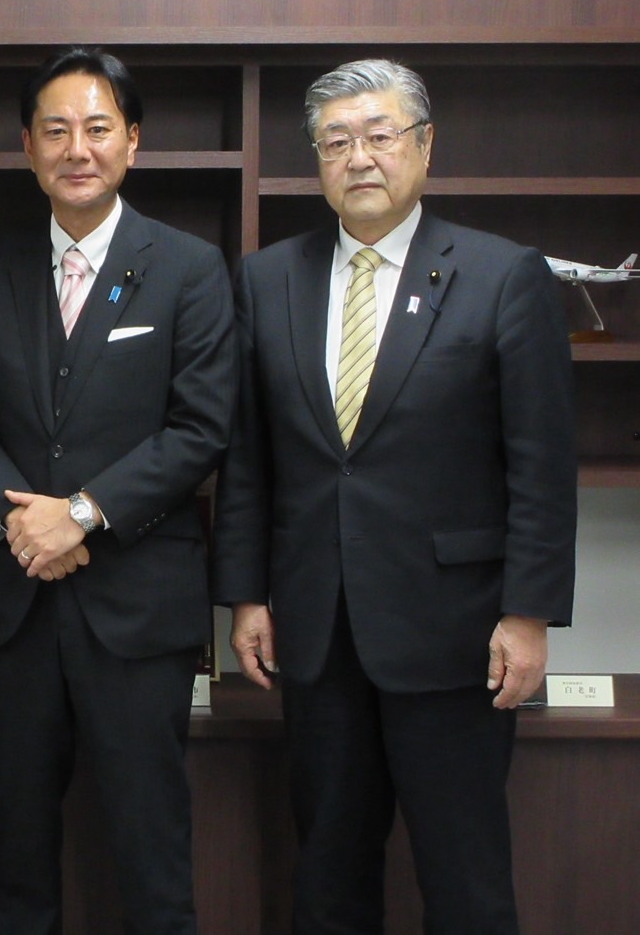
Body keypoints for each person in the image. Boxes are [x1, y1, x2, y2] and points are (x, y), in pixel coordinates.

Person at [212, 58, 577, 933]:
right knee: (328, 872)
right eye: (336, 141)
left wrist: (527, 614)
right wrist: (246, 595)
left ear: (423, 146)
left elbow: (539, 463)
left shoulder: (503, 274)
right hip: (316, 628)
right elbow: (249, 458)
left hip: (458, 632)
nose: (359, 157)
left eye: (379, 136)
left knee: (464, 877)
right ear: (317, 160)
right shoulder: (266, 279)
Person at [0, 47, 236, 934]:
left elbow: (199, 428)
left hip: (137, 612)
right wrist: (26, 527)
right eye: (56, 130)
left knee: (150, 852)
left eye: (97, 128)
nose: (77, 148)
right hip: (18, 606)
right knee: (19, 855)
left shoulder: (189, 268)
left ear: (132, 141)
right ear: (27, 146)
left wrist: (81, 515)